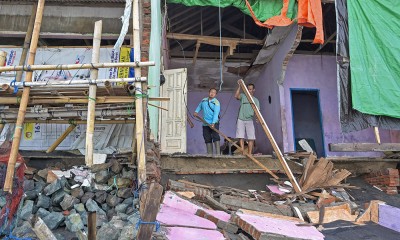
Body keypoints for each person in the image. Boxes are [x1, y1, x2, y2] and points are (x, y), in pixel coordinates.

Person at [194, 88, 221, 156]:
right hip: (205, 123)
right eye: (211, 92)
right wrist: (196, 111)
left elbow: (216, 114)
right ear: (209, 92)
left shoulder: (216, 102)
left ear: (215, 94)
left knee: (215, 137)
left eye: (214, 93)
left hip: (214, 123)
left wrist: (213, 123)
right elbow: (199, 106)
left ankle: (218, 155)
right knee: (207, 137)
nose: (212, 93)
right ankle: (209, 155)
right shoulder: (204, 100)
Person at [235, 80, 259, 155]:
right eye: (248, 89)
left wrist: (257, 118)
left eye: (251, 89)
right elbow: (236, 96)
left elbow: (257, 111)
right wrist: (239, 86)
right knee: (240, 136)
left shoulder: (256, 100)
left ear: (254, 90)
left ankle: (249, 153)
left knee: (251, 137)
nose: (249, 90)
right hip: (241, 119)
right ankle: (242, 152)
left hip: (250, 120)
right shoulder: (243, 96)